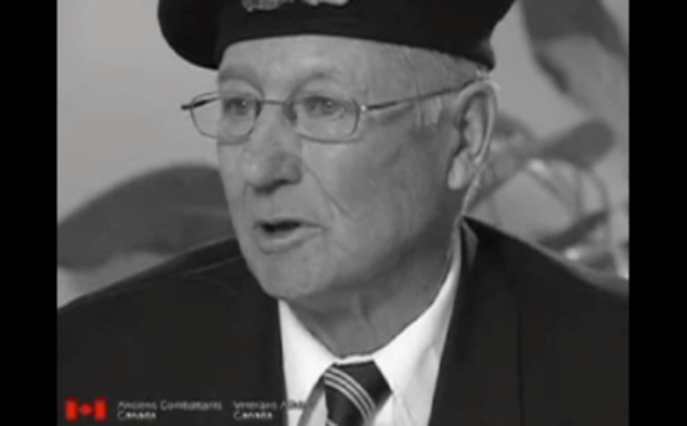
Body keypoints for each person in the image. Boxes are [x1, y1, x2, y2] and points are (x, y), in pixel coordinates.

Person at [57, 0, 628, 425]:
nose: (258, 166)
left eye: (323, 107)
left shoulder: (611, 368)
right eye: (240, 106)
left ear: (465, 135)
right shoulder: (89, 369)